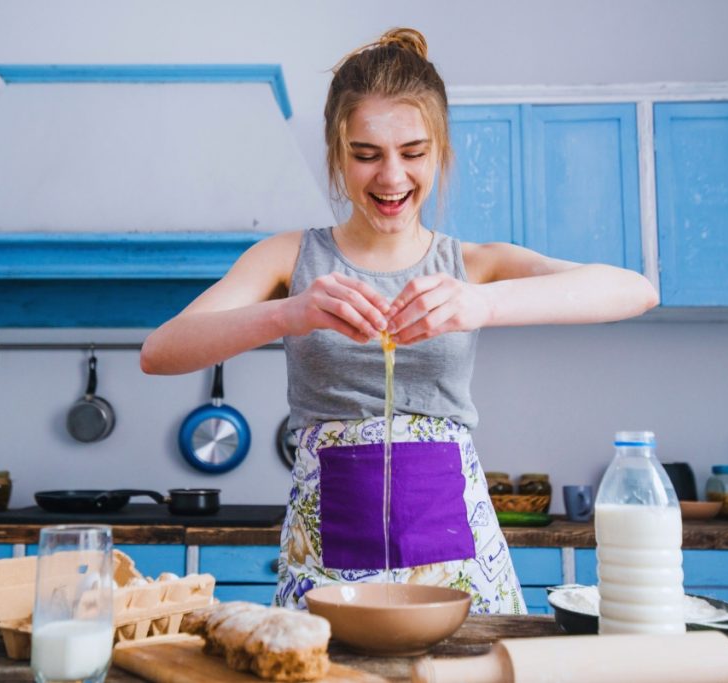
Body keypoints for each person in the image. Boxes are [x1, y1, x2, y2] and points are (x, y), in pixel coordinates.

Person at [141, 27, 659, 614]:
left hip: (458, 558)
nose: (391, 178)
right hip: (327, 553)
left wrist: (481, 303)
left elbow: (634, 291)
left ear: (439, 151)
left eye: (413, 153)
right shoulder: (289, 257)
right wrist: (289, 311)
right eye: (366, 155)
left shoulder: (472, 264)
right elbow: (161, 351)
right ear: (338, 154)